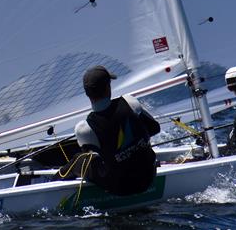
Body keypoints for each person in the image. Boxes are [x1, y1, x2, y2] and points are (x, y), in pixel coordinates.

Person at [57, 65, 160, 196]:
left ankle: (53, 180)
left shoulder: (84, 128)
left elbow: (93, 155)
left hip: (120, 188)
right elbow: (155, 128)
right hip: (149, 177)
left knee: (80, 159)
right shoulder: (130, 102)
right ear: (108, 87)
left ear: (87, 93)